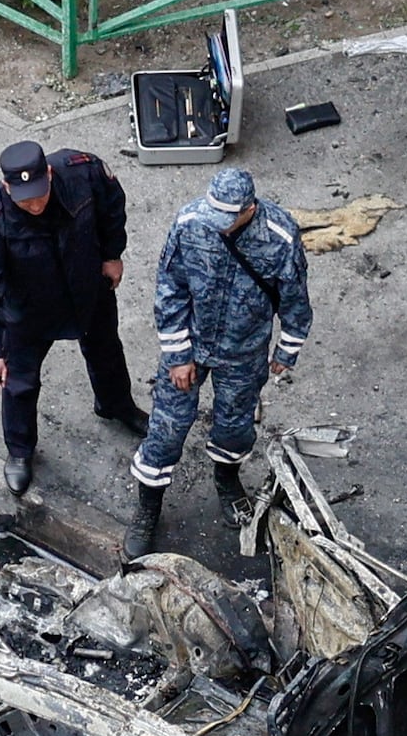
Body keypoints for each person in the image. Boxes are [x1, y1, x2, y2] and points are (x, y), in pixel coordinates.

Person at [130, 166, 310, 557]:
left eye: (228, 219)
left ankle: (227, 480)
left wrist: (286, 351)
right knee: (166, 428)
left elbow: (295, 298)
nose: (219, 226)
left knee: (235, 425)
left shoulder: (280, 236)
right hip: (191, 345)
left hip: (243, 353)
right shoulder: (190, 223)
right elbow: (170, 288)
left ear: (249, 209)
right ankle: (148, 507)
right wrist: (178, 356)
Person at [0, 138, 136, 500]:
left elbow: (111, 204)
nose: (35, 205)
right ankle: (20, 450)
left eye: (39, 194)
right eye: (25, 199)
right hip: (29, 309)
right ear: (7, 186)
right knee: (19, 381)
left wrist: (112, 253)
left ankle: (116, 405)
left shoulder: (82, 171)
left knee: (106, 351)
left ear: (50, 174)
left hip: (87, 285)